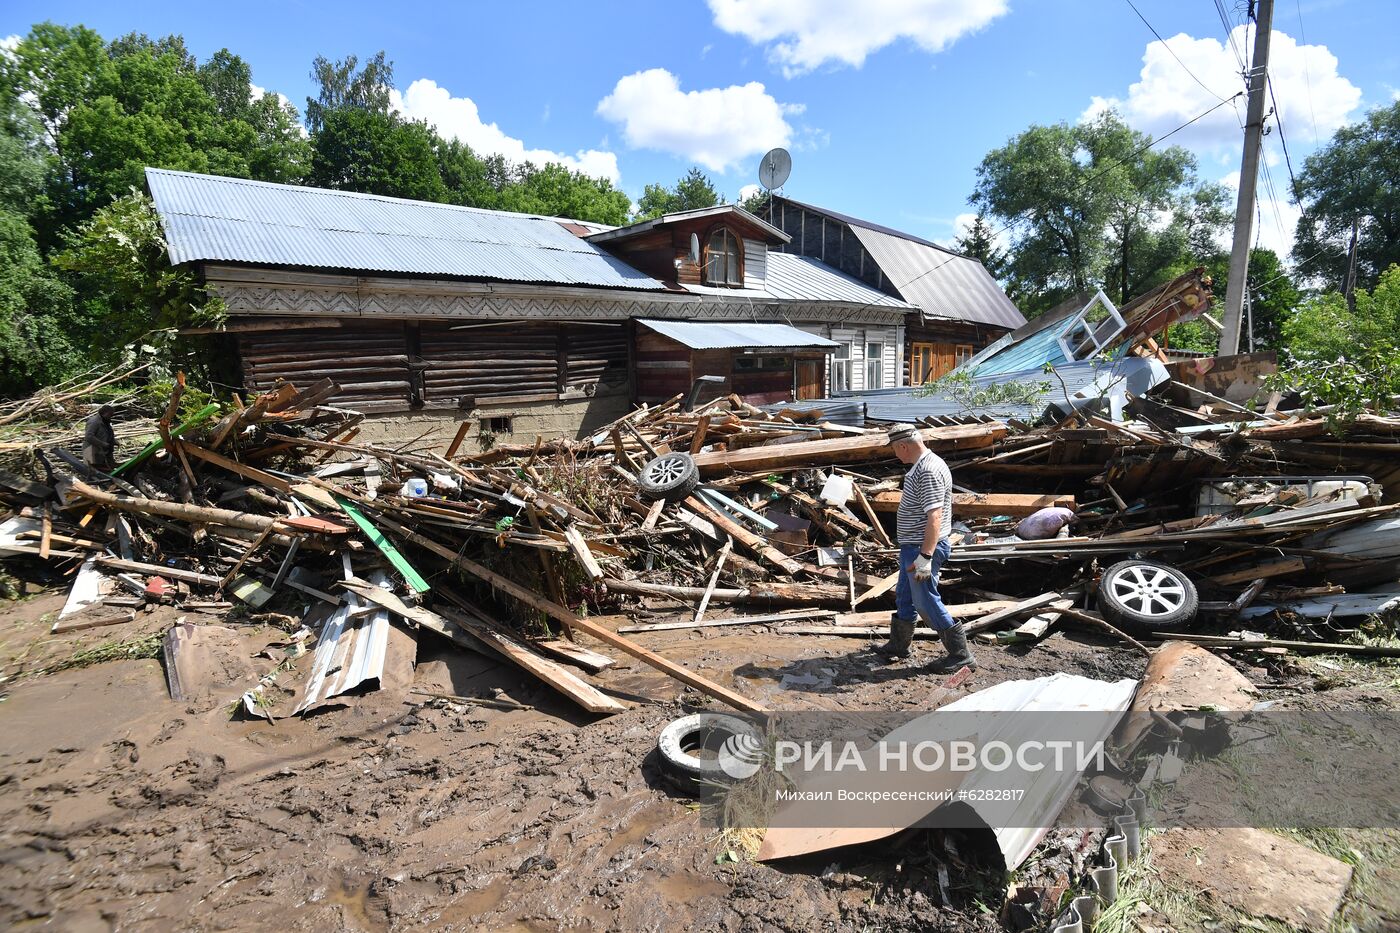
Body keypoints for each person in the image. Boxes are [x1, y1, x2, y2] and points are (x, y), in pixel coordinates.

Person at [874, 423, 976, 672]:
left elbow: (935, 517)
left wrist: (925, 557)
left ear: (903, 446)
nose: (895, 454)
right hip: (914, 547)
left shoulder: (927, 471)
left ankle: (960, 654)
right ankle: (899, 646)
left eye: (895, 450)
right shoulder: (927, 464)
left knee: (926, 601)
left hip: (923, 548)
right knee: (905, 597)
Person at [82, 404, 117, 476]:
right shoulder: (94, 422)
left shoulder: (105, 421)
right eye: (110, 414)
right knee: (93, 472)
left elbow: (106, 433)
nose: (111, 416)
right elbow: (89, 436)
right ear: (104, 413)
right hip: (92, 450)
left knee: (108, 469)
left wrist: (114, 441)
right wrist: (103, 444)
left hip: (104, 450)